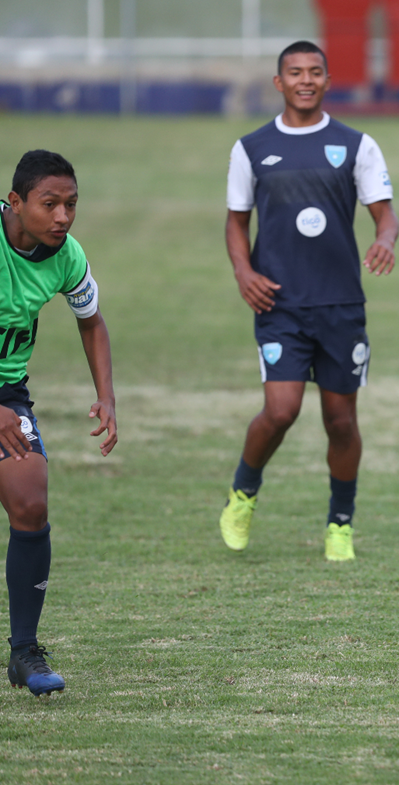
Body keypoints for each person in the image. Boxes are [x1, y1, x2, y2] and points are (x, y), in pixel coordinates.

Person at [220, 41, 398, 561]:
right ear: (278, 83)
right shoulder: (250, 148)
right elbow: (236, 222)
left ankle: (340, 523)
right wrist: (243, 271)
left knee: (341, 422)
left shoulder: (356, 145)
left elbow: (385, 215)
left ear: (326, 79)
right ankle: (243, 492)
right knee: (280, 410)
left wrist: (385, 240)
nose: (304, 80)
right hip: (279, 304)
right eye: (294, 72)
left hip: (341, 305)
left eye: (314, 72)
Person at [2, 150, 117, 695]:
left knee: (30, 499)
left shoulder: (65, 255)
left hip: (7, 392)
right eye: (51, 205)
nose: (64, 217)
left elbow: (92, 322)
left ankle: (24, 651)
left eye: (71, 205)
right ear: (16, 202)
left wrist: (107, 397)